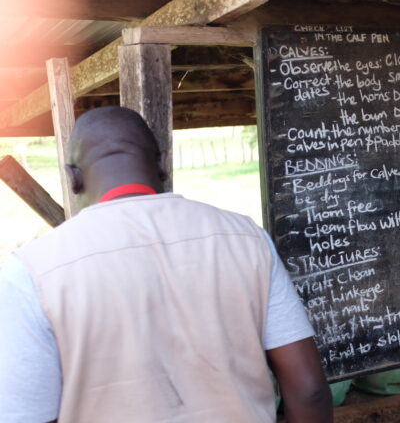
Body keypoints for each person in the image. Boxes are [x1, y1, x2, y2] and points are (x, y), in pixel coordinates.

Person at [0, 107, 332, 422]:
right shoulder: (248, 239)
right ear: (162, 162)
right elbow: (309, 389)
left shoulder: (32, 271)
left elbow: (27, 413)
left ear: (73, 178)